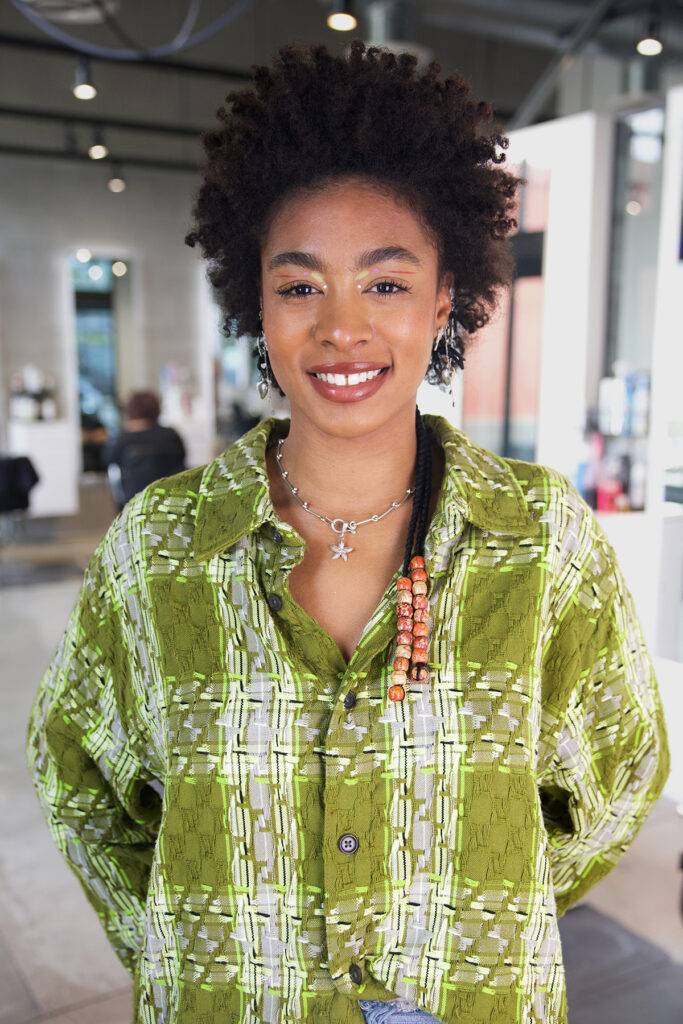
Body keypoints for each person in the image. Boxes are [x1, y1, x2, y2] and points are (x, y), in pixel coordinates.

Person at [25, 41, 670, 1024]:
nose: (340, 329)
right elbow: (80, 783)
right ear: (256, 300)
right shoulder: (160, 548)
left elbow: (621, 777)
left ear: (443, 297)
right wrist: (188, 938)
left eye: (385, 283)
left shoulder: (540, 541)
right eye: (299, 286)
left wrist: (483, 910)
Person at [102, 389, 187, 509]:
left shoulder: (122, 439)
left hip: (134, 501)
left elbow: (108, 460)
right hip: (170, 499)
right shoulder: (170, 435)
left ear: (130, 411)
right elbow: (181, 459)